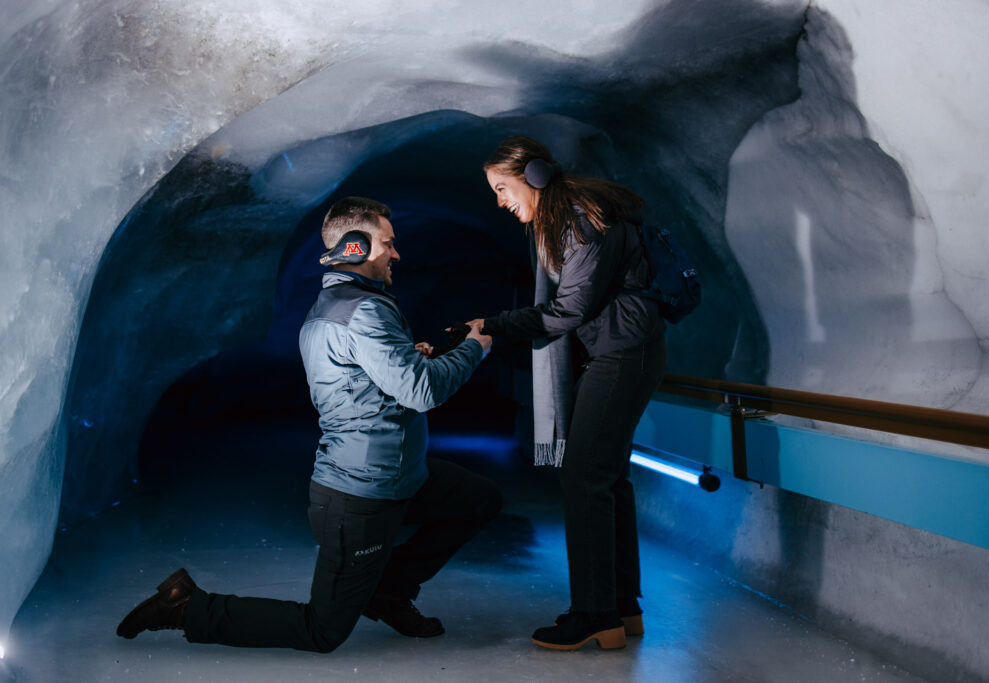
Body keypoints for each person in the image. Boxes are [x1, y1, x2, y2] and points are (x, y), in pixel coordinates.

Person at [117, 196, 501, 652]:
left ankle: (389, 589)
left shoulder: (340, 303)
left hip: (399, 474)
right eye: (388, 243)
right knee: (323, 630)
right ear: (357, 247)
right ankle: (187, 607)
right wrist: (474, 348)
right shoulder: (364, 310)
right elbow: (421, 391)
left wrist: (408, 359)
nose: (396, 254)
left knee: (478, 499)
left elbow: (373, 378)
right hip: (359, 493)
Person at [471, 136, 667, 651]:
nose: (499, 201)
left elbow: (569, 310)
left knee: (584, 479)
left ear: (533, 176)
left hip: (622, 355)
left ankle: (594, 614)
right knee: (607, 479)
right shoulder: (571, 218)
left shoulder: (581, 221)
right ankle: (622, 607)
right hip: (619, 352)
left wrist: (495, 323)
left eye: (502, 188)